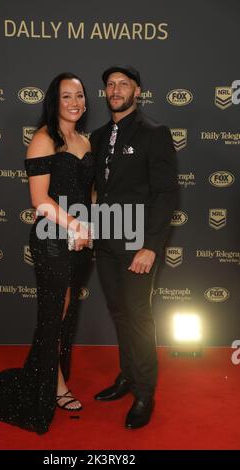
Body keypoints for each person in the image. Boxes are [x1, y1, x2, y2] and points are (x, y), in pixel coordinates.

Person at [0, 72, 95, 434]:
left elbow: (89, 192)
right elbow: (39, 200)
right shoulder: (43, 139)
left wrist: (94, 226)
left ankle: (50, 377)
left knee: (65, 312)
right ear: (54, 101)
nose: (74, 102)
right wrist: (76, 226)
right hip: (53, 236)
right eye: (66, 95)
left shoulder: (85, 141)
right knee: (53, 315)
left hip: (79, 240)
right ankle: (53, 386)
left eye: (79, 95)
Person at [90, 65, 178, 429]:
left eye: (123, 84)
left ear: (137, 91)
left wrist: (151, 247)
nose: (115, 89)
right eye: (110, 84)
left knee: (139, 316)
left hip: (137, 243)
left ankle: (145, 391)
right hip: (106, 241)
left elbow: (166, 193)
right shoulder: (96, 137)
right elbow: (98, 189)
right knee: (119, 312)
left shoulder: (154, 133)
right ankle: (126, 376)